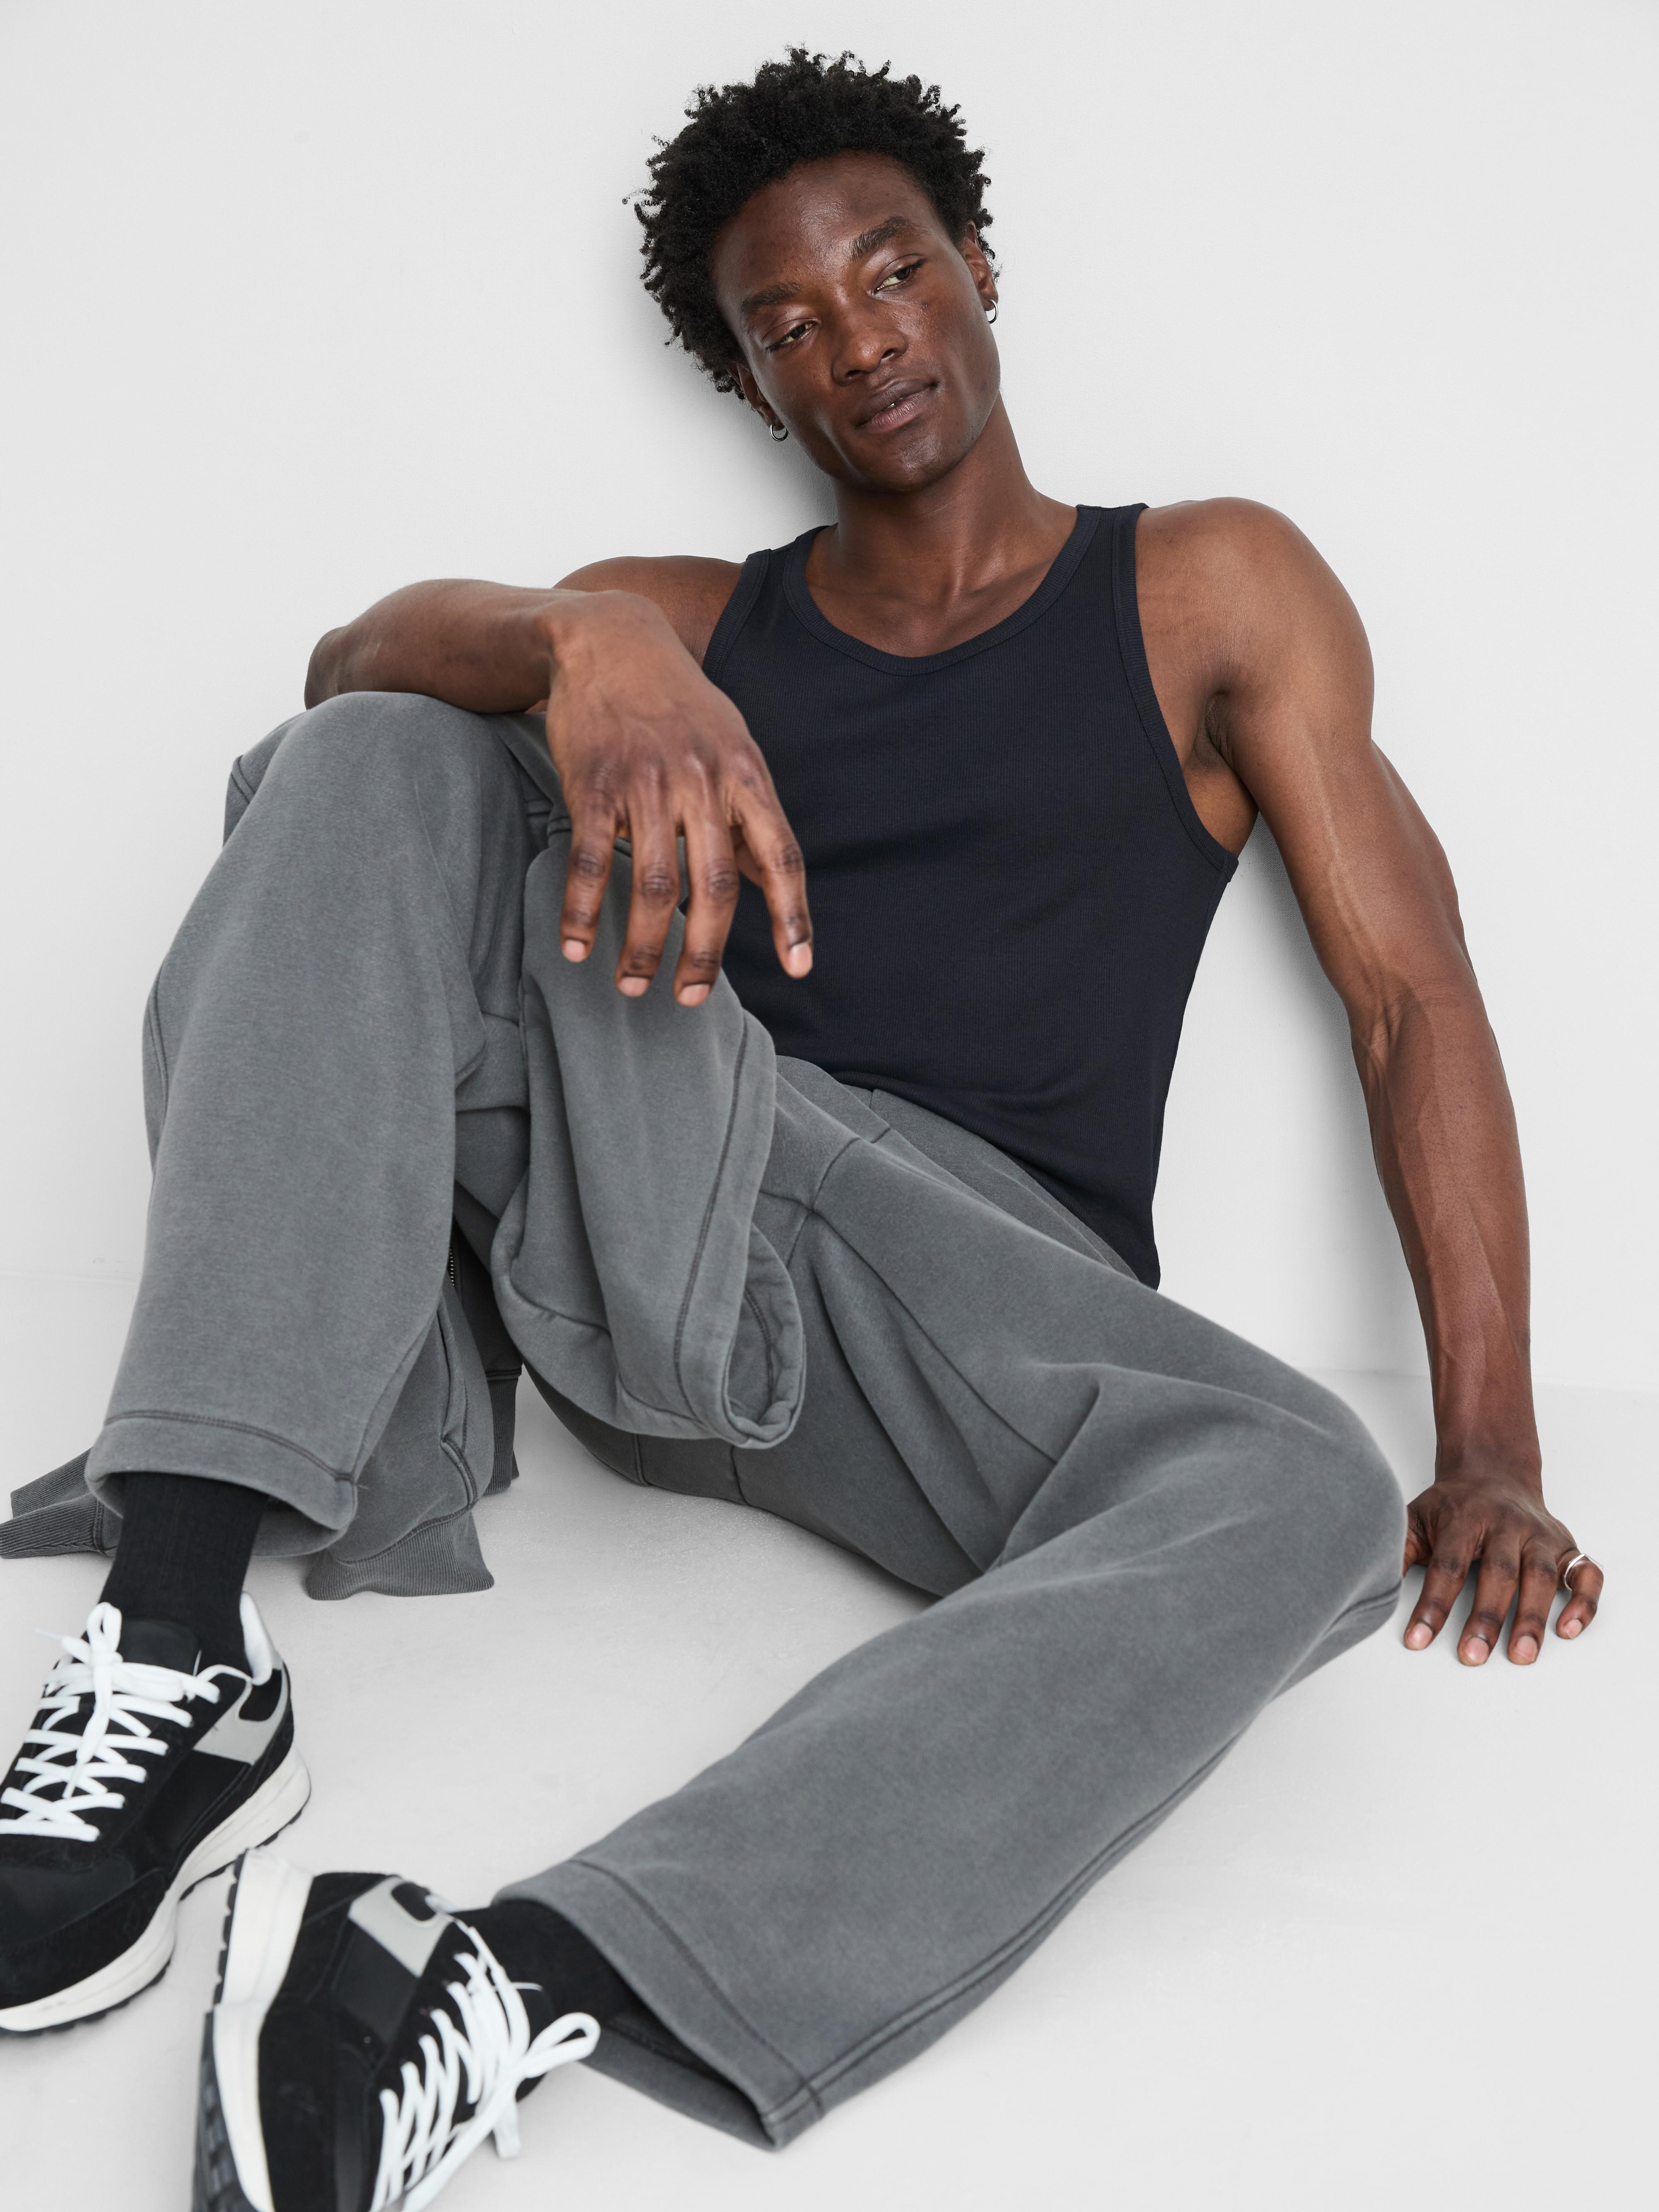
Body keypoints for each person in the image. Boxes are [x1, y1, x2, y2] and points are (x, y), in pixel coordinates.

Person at [0, 49, 1601, 2212]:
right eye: (790, 321)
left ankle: (503, 1982)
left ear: (978, 271)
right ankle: (182, 1639)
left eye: (893, 272)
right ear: (745, 378)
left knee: (1305, 1487)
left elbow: (1412, 997)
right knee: (374, 749)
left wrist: (1490, 1446)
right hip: (671, 1186)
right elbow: (342, 670)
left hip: (956, 1299)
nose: (860, 339)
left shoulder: (1209, 586)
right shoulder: (682, 621)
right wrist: (581, 641)